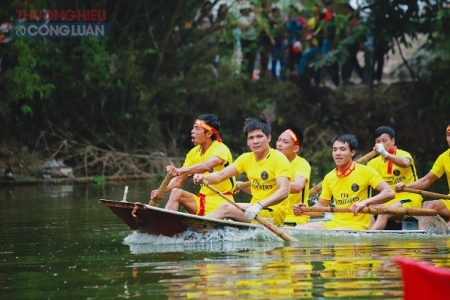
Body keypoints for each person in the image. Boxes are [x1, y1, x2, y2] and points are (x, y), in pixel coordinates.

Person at [192, 116, 291, 226]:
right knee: (224, 210)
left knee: (226, 208)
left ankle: (195, 228)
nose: (255, 141)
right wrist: (203, 178)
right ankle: (203, 228)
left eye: (259, 136)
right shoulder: (246, 158)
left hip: (274, 213)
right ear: (247, 142)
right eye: (251, 138)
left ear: (269, 138)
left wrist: (259, 205)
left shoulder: (279, 159)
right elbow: (221, 175)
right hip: (254, 209)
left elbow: (284, 191)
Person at [292, 134, 394, 230]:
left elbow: (389, 193)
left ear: (352, 152)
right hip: (335, 223)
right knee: (299, 229)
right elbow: (321, 206)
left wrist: (364, 203)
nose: (337, 153)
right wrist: (304, 210)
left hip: (358, 225)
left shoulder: (366, 171)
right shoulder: (329, 177)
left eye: (342, 149)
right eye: (334, 150)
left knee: (337, 232)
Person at [150, 114, 235, 216]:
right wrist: (161, 191)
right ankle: (165, 223)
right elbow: (179, 180)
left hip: (222, 203)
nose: (192, 131)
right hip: (202, 200)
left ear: (208, 133)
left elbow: (206, 166)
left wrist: (181, 170)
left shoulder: (221, 149)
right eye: (193, 128)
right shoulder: (193, 153)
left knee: (178, 191)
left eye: (197, 128)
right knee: (176, 192)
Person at [367, 126, 422, 230]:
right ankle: (368, 238)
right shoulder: (372, 163)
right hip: (388, 200)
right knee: (364, 210)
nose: (381, 144)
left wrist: (386, 154)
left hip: (410, 198)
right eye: (378, 142)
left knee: (385, 212)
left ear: (393, 140)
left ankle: (368, 239)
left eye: (384, 141)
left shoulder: (403, 154)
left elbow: (406, 163)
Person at [396, 125, 450, 227]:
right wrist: (407, 186)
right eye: (449, 135)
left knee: (448, 228)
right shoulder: (444, 157)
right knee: (427, 206)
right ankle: (423, 238)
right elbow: (427, 180)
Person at [276, 128, 311, 226]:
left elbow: (297, 187)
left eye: (285, 142)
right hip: (273, 213)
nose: (279, 144)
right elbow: (256, 187)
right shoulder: (272, 162)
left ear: (295, 148)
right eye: (279, 140)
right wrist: (239, 185)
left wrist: (270, 184)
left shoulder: (302, 164)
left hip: (294, 217)